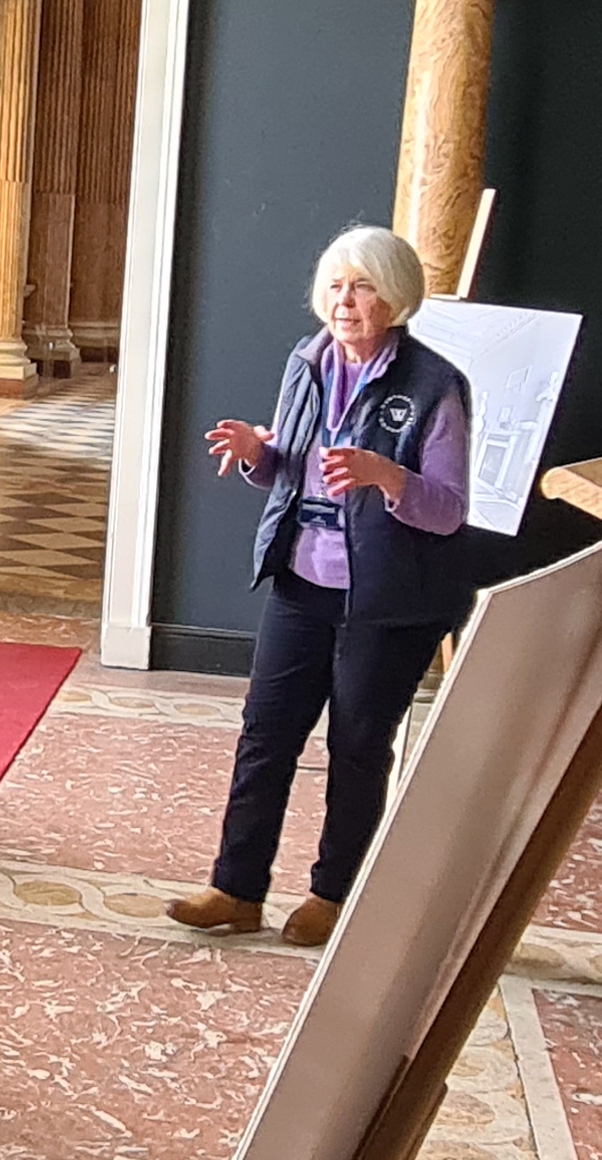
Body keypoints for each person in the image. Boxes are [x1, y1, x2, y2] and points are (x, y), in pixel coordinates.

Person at [167, 225, 478, 949]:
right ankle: (236, 889)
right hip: (301, 581)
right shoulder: (306, 362)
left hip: (390, 600)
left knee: (359, 746)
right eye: (336, 284)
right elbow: (290, 462)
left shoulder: (433, 386)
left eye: (363, 285)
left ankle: (334, 896)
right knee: (265, 737)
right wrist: (258, 453)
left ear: (395, 296)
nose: (346, 300)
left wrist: (387, 476)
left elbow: (450, 509)